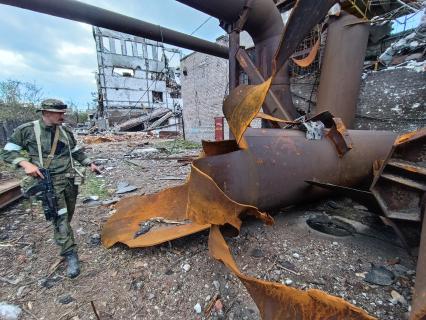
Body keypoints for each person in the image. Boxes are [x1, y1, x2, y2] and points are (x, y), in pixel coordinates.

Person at [0, 99, 100, 278]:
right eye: (59, 113)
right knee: (60, 217)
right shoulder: (27, 130)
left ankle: (64, 237)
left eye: (63, 113)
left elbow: (75, 150)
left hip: (69, 180)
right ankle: (70, 253)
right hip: (49, 183)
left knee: (67, 215)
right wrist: (25, 164)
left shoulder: (65, 130)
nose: (63, 116)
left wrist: (89, 163)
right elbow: (7, 152)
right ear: (46, 113)